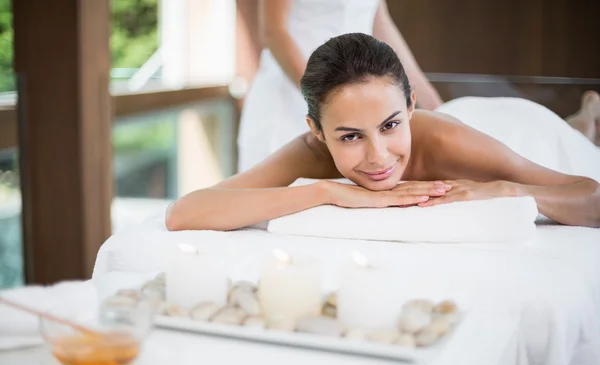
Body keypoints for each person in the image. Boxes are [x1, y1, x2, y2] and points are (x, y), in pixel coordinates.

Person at [167, 33, 600, 232]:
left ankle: (583, 118)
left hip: (507, 126)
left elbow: (590, 198)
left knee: (569, 137)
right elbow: (184, 213)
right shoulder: (310, 153)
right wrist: (326, 192)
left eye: (390, 125)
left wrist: (506, 190)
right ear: (316, 131)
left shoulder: (452, 143)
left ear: (410, 108)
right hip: (446, 121)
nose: (378, 157)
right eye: (350, 136)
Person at [237, 0, 443, 172]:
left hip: (359, 100)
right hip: (292, 100)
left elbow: (379, 22)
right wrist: (326, 101)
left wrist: (433, 102)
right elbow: (274, 33)